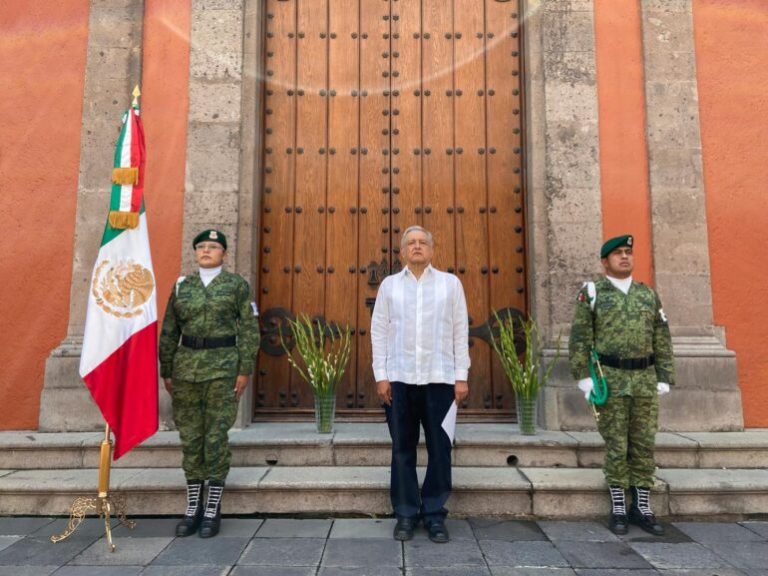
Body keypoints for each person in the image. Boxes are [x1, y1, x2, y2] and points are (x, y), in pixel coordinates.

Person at [569, 234, 674, 536]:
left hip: (644, 379)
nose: (625, 257)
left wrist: (664, 375)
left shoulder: (647, 295)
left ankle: (641, 507)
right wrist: (583, 376)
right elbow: (580, 337)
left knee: (643, 443)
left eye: (628, 252)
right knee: (616, 444)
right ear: (605, 262)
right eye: (618, 253)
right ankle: (618, 507)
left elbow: (661, 336)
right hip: (610, 378)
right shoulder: (593, 293)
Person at [370, 225, 470, 543]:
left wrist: (461, 376)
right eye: (411, 243)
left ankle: (435, 514)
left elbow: (460, 331)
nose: (416, 247)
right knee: (402, 448)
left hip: (441, 379)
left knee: (440, 449)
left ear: (431, 249)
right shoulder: (389, 286)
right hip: (399, 379)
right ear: (402, 252)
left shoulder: (450, 285)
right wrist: (381, 375)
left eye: (422, 242)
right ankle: (405, 513)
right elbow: (379, 330)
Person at [159, 229, 260, 538]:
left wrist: (244, 370)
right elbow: (169, 330)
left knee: (215, 438)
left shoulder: (236, 286)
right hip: (186, 370)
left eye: (213, 247)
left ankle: (212, 508)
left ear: (224, 254)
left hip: (222, 369)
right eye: (201, 246)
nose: (206, 251)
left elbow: (249, 329)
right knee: (191, 439)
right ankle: (193, 507)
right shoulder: (182, 286)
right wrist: (167, 369)